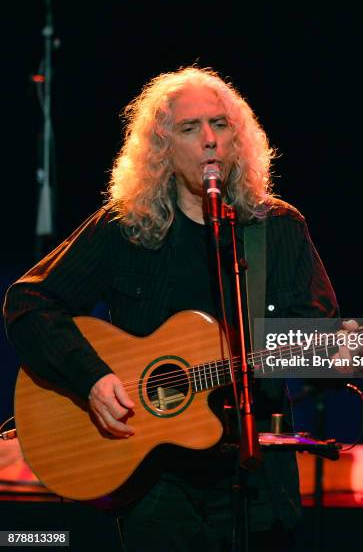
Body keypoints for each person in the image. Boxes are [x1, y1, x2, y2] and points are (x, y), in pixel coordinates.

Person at [3, 66, 338, 551]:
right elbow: (29, 302)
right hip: (154, 484)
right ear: (162, 147)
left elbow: (319, 335)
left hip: (257, 478)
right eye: (190, 128)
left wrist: (321, 350)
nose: (209, 140)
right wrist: (92, 378)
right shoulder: (126, 227)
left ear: (237, 137)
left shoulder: (278, 228)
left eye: (220, 125)